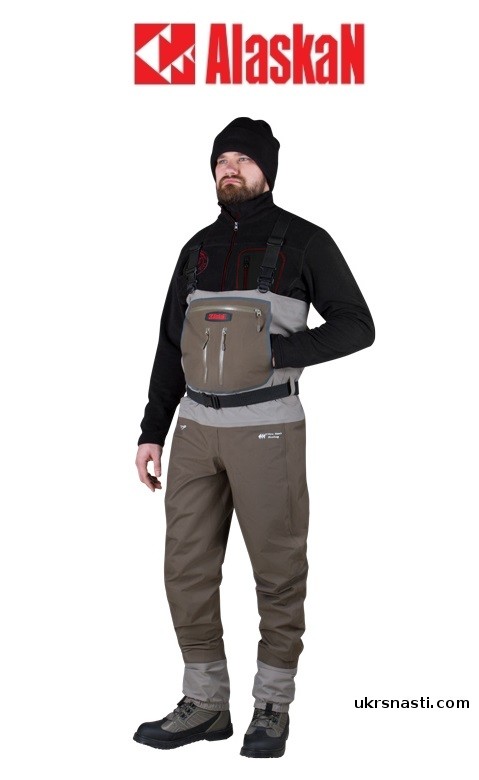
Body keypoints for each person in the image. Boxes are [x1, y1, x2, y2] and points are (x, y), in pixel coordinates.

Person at [133, 117, 374, 758]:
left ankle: (272, 704)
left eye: (242, 159)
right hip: (194, 431)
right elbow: (169, 345)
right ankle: (206, 703)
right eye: (221, 160)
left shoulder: (305, 242)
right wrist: (152, 431)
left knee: (277, 570)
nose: (229, 169)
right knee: (185, 569)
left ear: (267, 170)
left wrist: (278, 351)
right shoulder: (196, 249)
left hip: (267, 428)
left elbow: (357, 324)